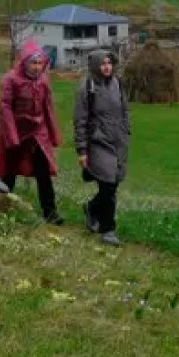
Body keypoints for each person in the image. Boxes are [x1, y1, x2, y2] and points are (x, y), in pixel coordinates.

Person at [0, 40, 64, 224]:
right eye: (33, 63)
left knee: (43, 172)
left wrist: (53, 135)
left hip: (37, 133)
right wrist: (12, 137)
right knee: (8, 172)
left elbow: (48, 107)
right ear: (25, 62)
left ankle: (50, 212)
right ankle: (0, 207)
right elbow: (5, 108)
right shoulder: (10, 80)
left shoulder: (43, 81)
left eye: (40, 63)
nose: (37, 67)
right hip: (15, 131)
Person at [75, 49, 131, 247]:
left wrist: (126, 130)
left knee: (113, 183)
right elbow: (80, 120)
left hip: (118, 141)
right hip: (98, 142)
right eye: (102, 63)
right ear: (95, 66)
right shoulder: (87, 87)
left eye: (109, 63)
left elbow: (124, 109)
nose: (107, 67)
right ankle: (108, 230)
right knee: (107, 183)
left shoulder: (117, 83)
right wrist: (82, 150)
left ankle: (92, 207)